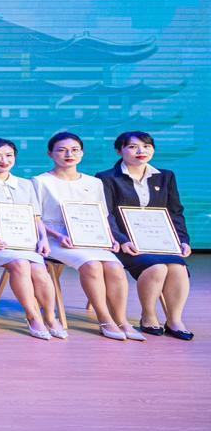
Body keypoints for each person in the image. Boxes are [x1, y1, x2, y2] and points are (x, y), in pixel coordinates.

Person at [34, 132, 141, 341]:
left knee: (115, 267)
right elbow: (35, 217)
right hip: (58, 240)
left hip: (90, 238)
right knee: (92, 265)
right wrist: (56, 235)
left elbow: (102, 214)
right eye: (62, 150)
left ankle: (122, 320)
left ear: (82, 153)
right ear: (50, 154)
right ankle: (105, 320)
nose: (69, 155)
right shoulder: (40, 182)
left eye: (74, 150)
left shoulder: (94, 182)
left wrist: (110, 237)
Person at [98, 130, 193, 340]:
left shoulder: (165, 176)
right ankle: (148, 316)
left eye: (146, 146)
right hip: (125, 243)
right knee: (157, 268)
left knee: (178, 268)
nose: (141, 151)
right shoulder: (106, 178)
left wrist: (183, 240)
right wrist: (122, 240)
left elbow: (175, 212)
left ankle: (174, 320)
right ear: (119, 151)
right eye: (132, 147)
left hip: (160, 240)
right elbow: (106, 214)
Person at [0, 138, 61, 340]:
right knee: (21, 264)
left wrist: (43, 239)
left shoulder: (25, 184)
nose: (4, 160)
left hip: (25, 243)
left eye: (9, 155)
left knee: (40, 270)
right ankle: (32, 316)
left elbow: (35, 216)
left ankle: (49, 316)